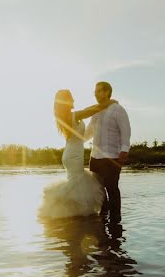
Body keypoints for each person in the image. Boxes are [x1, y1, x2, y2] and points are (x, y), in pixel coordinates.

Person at [39, 90, 115, 219]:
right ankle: (70, 214)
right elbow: (92, 110)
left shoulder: (65, 117)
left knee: (75, 184)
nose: (74, 100)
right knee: (76, 184)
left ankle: (73, 221)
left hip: (70, 153)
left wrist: (102, 104)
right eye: (71, 98)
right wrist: (109, 103)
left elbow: (88, 109)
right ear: (66, 102)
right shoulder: (72, 116)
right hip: (74, 155)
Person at [86, 81, 131, 222]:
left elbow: (126, 132)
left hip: (112, 157)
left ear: (107, 92)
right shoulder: (95, 112)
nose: (95, 93)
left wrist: (124, 151)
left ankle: (116, 220)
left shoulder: (118, 109)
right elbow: (87, 134)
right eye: (95, 91)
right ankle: (103, 215)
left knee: (112, 189)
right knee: (98, 190)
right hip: (95, 158)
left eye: (99, 90)